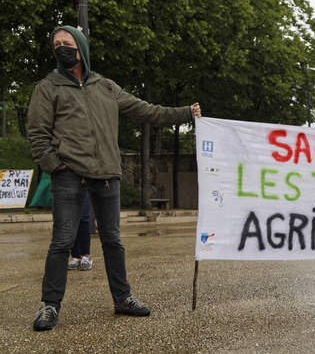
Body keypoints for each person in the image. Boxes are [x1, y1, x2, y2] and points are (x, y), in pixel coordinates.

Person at [27, 25, 202, 331]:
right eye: (56, 44)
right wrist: (55, 165)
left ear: (81, 48)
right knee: (62, 242)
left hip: (107, 174)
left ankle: (122, 298)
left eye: (67, 43)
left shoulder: (105, 86)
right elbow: (37, 134)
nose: (61, 48)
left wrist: (186, 113)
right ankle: (49, 306)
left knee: (113, 240)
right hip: (68, 175)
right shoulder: (48, 87)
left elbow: (148, 111)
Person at [67, 190, 93, 270]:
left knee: (83, 219)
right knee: (71, 220)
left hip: (84, 184)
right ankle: (76, 257)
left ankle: (86, 256)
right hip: (69, 186)